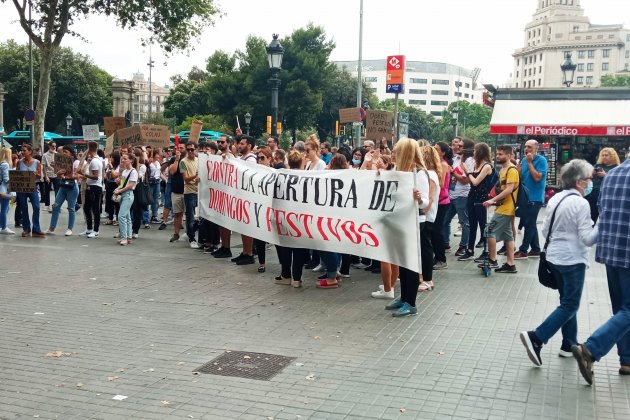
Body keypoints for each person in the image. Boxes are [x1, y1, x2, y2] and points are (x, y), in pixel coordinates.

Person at [519, 160, 597, 367]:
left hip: (554, 257)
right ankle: (537, 337)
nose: (591, 183)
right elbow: (588, 238)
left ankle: (568, 344)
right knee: (571, 304)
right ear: (580, 182)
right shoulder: (581, 203)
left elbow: (545, 229)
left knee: (566, 301)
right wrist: (603, 224)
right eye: (589, 179)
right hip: (572, 259)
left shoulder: (556, 198)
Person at [572, 156, 630, 385]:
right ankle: (591, 348)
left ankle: (626, 360)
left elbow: (601, 209)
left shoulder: (613, 174)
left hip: (611, 251)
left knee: (622, 311)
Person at [385, 138, 430, 317]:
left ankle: (411, 303)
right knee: (403, 262)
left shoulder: (420, 173)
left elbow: (425, 202)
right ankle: (404, 297)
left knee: (410, 264)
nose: (393, 154)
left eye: (396, 151)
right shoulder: (399, 171)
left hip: (414, 222)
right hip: (402, 221)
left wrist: (419, 198)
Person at [481, 145, 520, 273]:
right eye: (497, 154)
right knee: (508, 236)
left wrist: (493, 200)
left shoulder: (511, 170)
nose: (498, 156)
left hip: (506, 209)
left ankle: (492, 260)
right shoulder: (503, 169)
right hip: (502, 207)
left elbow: (509, 190)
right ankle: (510, 264)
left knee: (489, 231)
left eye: (501, 154)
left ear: (509, 155)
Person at [458, 142, 493, 261]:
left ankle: (486, 251)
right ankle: (470, 249)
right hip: (472, 197)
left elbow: (476, 182)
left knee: (483, 225)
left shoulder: (487, 166)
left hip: (481, 199)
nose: (473, 153)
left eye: (475, 151)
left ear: (480, 152)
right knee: (472, 224)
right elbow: (470, 180)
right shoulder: (476, 165)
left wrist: (467, 171)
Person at [514, 139, 548, 260]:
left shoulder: (542, 160)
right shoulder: (523, 160)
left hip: (535, 197)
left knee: (529, 223)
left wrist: (529, 163)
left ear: (536, 148)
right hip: (525, 196)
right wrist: (518, 172)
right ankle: (535, 249)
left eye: (530, 147)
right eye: (526, 147)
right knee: (530, 222)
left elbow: (537, 178)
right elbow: (523, 178)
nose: (527, 149)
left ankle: (523, 250)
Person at [443, 137, 474, 257]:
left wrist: (453, 173)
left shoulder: (470, 161)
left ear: (467, 148)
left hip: (463, 195)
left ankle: (463, 245)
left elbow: (466, 180)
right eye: (457, 145)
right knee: (445, 220)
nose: (457, 147)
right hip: (451, 193)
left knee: (464, 222)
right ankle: (445, 242)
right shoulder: (455, 158)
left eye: (460, 146)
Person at [231, 135, 257, 265]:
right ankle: (245, 251)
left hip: (247, 197)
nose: (239, 145)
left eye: (242, 144)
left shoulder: (251, 160)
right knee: (242, 226)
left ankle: (249, 253)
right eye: (239, 143)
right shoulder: (242, 158)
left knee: (247, 227)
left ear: (249, 146)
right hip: (241, 196)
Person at [418, 146, 440, 292]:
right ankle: (425, 278)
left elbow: (430, 197)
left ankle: (427, 279)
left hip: (427, 215)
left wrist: (423, 213)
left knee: (425, 246)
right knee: (424, 245)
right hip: (427, 214)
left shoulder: (428, 174)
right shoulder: (431, 173)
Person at [45, 146, 81, 236]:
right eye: (63, 152)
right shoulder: (61, 162)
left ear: (71, 153)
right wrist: (59, 174)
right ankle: (51, 228)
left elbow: (77, 176)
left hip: (72, 187)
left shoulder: (76, 162)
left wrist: (65, 176)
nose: (64, 153)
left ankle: (70, 228)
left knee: (71, 208)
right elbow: (58, 176)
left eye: (66, 152)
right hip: (63, 186)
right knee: (55, 206)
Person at [16, 144, 45, 238]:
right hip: (22, 189)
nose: (22, 152)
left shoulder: (37, 162)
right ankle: (26, 229)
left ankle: (36, 229)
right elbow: (16, 175)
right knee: (24, 209)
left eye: (24, 150)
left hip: (33, 187)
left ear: (30, 152)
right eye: (22, 150)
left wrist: (34, 174)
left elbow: (39, 176)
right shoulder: (19, 162)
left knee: (36, 207)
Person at [432, 142, 453, 269]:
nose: (434, 150)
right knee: (434, 230)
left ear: (443, 153)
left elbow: (440, 183)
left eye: (437, 149)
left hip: (442, 201)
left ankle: (441, 258)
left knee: (437, 230)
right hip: (436, 200)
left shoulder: (443, 165)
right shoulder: (437, 164)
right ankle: (437, 257)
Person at [78, 141, 103, 238]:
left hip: (95, 188)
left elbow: (96, 177)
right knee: (86, 208)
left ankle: (96, 230)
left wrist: (83, 174)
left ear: (89, 150)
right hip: (90, 187)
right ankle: (89, 228)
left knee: (95, 209)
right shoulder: (95, 160)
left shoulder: (95, 161)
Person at [588, 147, 619, 223]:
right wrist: (591, 173)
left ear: (612, 156)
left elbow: (617, 181)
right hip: (593, 193)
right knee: (592, 213)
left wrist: (605, 175)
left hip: (607, 194)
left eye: (606, 155)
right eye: (603, 155)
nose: (604, 157)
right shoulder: (598, 165)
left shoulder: (616, 168)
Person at [114, 152, 138, 246]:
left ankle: (124, 237)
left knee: (121, 216)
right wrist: (118, 186)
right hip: (123, 195)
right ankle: (128, 237)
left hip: (128, 195)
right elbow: (123, 184)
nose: (123, 160)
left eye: (125, 159)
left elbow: (131, 185)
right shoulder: (124, 171)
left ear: (131, 160)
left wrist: (119, 190)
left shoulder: (133, 171)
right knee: (127, 217)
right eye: (122, 159)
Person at [168, 144, 186, 243]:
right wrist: (177, 160)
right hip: (177, 191)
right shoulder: (174, 159)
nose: (178, 150)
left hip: (188, 191)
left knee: (190, 214)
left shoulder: (190, 159)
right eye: (177, 148)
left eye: (181, 148)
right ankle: (176, 234)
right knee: (177, 213)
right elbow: (172, 171)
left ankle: (189, 234)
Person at [0, 147, 14, 234]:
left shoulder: (1, 163)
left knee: (5, 208)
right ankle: (4, 227)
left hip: (2, 190)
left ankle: (1, 226)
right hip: (4, 190)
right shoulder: (5, 164)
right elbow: (6, 179)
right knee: (5, 209)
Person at [41, 141, 58, 213]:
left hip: (56, 175)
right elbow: (43, 167)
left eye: (55, 146)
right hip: (48, 174)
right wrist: (46, 176)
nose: (54, 147)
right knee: (47, 190)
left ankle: (57, 205)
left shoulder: (57, 154)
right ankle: (47, 205)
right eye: (53, 146)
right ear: (49, 146)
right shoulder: (45, 155)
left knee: (57, 191)